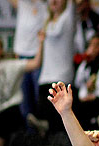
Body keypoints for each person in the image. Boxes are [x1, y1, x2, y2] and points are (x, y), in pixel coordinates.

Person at [0, 34, 44, 146]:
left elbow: (36, 63)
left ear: (0, 50)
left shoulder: (11, 65)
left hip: (5, 111)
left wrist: (41, 43)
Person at [30, 0, 76, 135]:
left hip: (62, 76)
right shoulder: (46, 21)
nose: (54, 1)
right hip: (45, 77)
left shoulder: (69, 17)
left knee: (59, 123)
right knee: (47, 121)